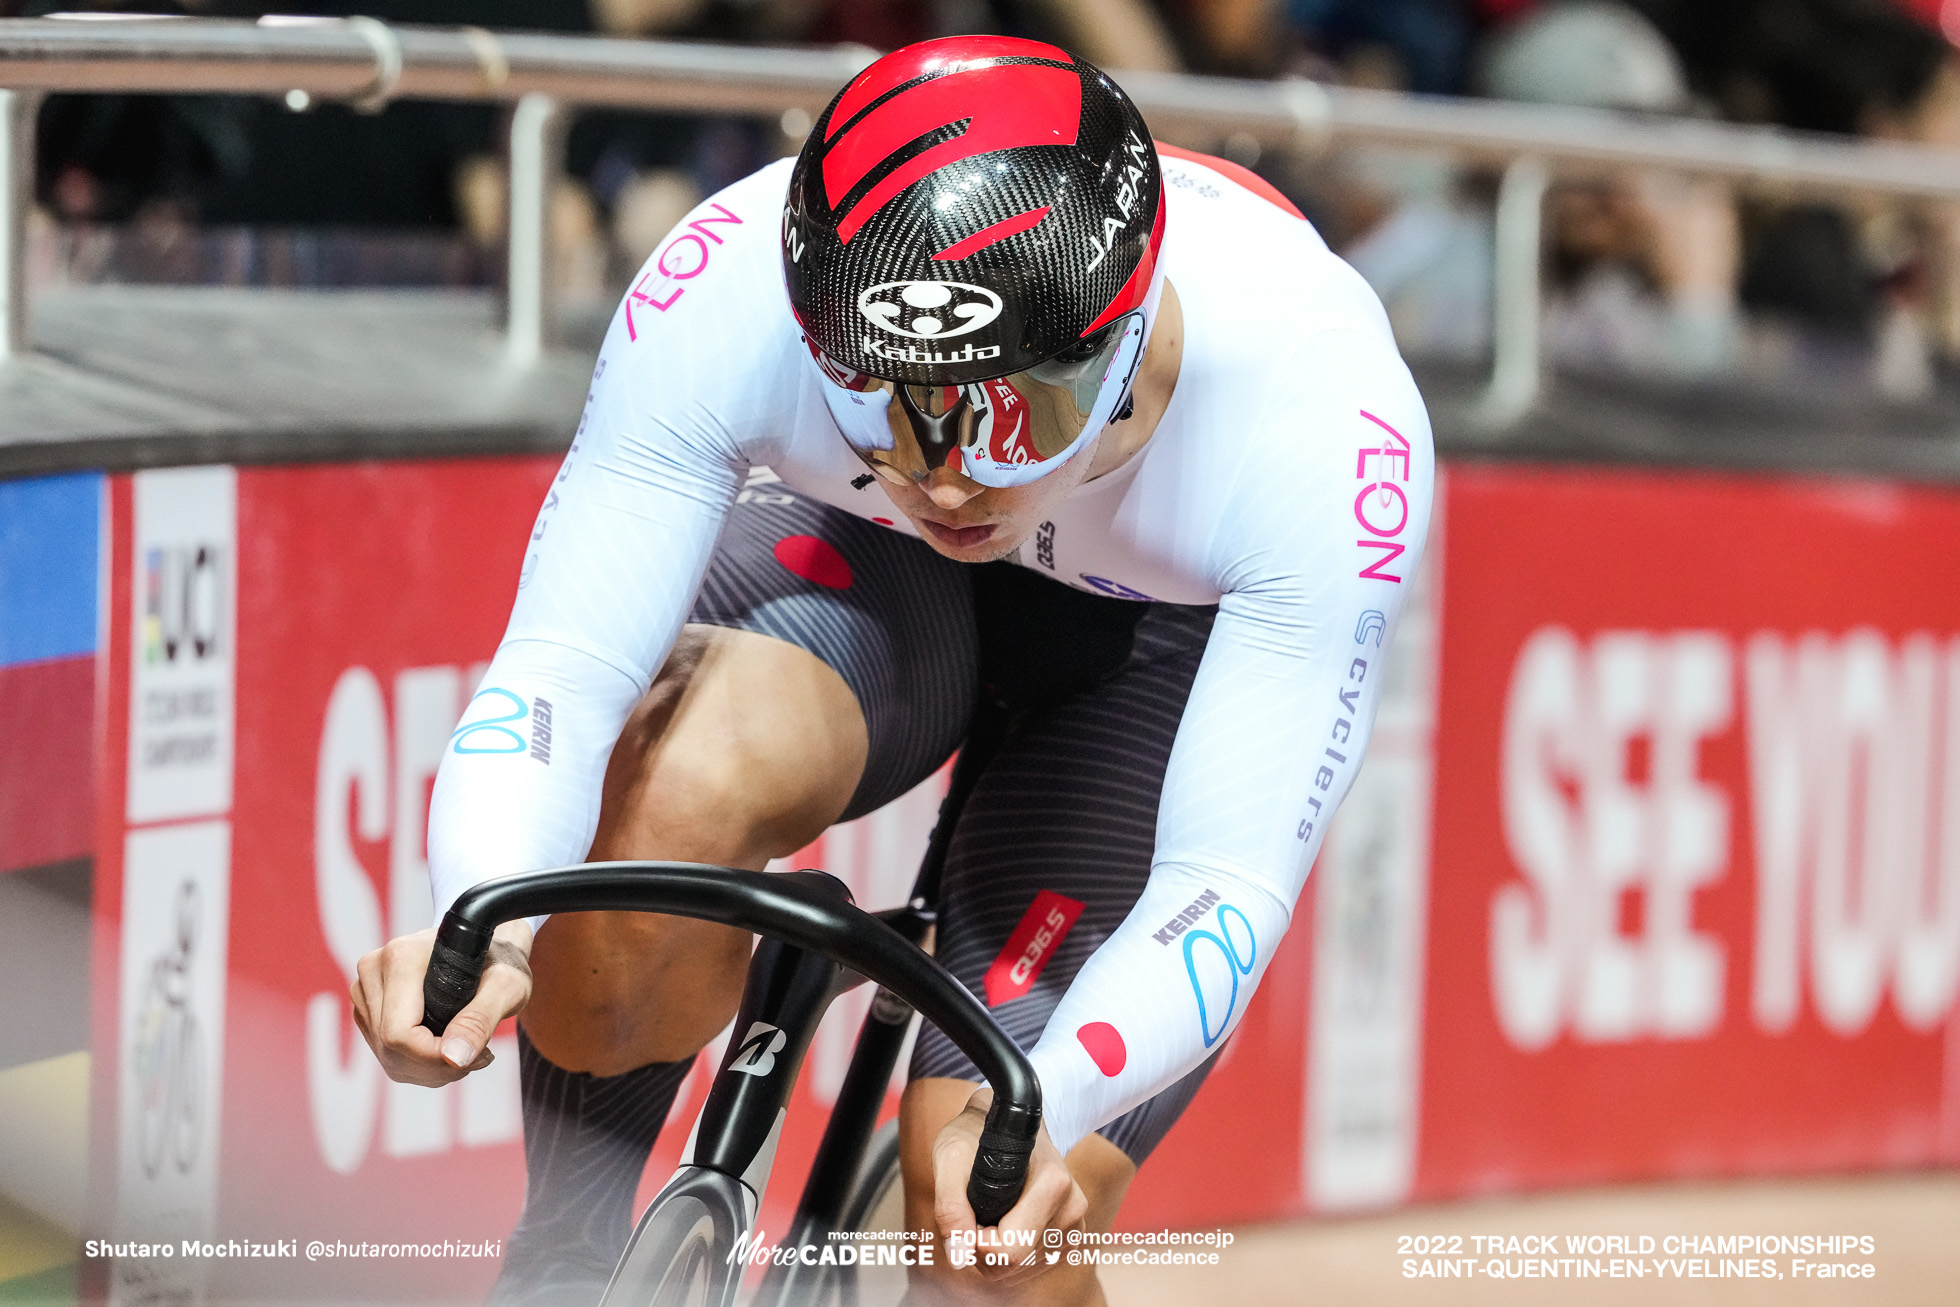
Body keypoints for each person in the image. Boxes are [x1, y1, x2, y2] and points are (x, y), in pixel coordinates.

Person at [350, 35, 1432, 1306]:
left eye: (1018, 405)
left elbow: (1223, 883)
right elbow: (560, 673)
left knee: (982, 1237)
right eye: (889, 397)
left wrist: (1048, 1102)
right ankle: (564, 1257)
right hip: (878, 571)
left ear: (1127, 340)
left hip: (1154, 651)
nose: (954, 473)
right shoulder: (729, 282)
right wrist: (483, 915)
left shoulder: (1322, 420)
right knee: (671, 796)